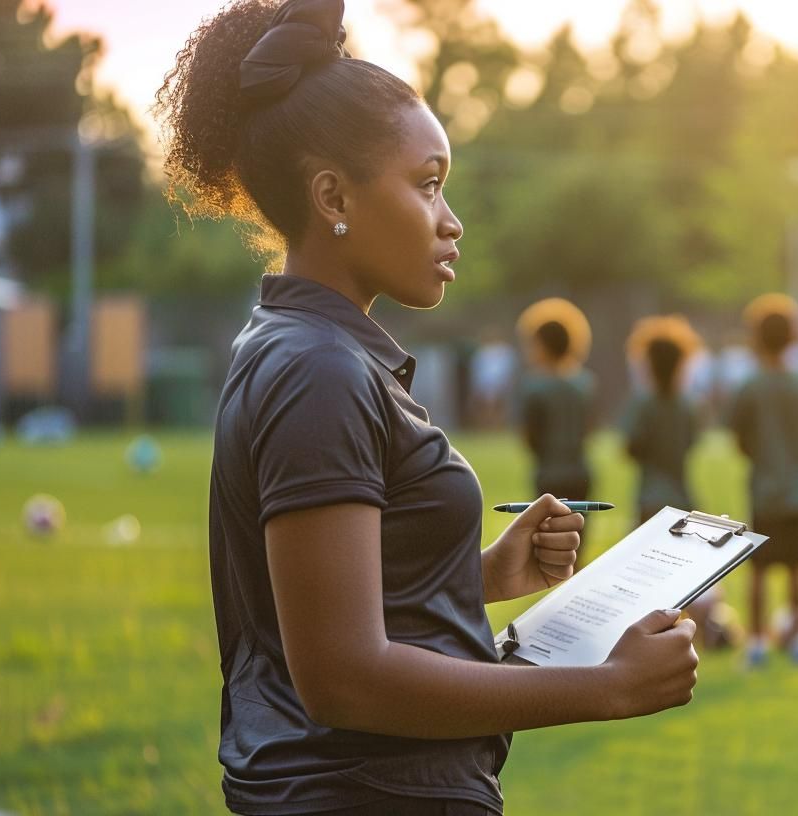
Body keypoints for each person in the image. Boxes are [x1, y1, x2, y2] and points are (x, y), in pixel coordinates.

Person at [162, 2, 698, 812]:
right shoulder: (318, 370)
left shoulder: (304, 346)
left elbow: (329, 611)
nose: (452, 222)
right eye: (427, 185)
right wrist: (607, 686)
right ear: (333, 195)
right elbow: (345, 680)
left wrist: (477, 577)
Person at [730, 294, 798, 668]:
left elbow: (740, 437)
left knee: (758, 569)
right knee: (797, 569)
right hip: (797, 488)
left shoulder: (749, 386)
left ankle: (756, 643)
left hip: (764, 489)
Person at [517, 297, 595, 524]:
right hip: (580, 472)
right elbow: (589, 428)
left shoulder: (534, 387)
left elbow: (531, 437)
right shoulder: (584, 383)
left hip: (549, 474)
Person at [621, 315, 702, 525]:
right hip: (681, 496)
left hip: (649, 496)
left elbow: (631, 447)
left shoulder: (643, 405)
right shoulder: (689, 406)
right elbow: (692, 442)